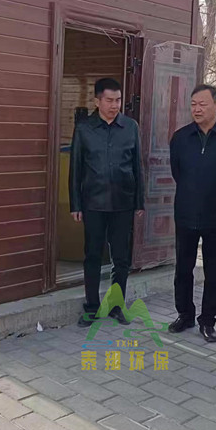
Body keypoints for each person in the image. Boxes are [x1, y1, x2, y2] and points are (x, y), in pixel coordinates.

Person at [168, 84, 216, 342]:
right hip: (186, 212)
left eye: (202, 104)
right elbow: (177, 172)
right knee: (183, 268)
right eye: (193, 104)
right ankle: (185, 314)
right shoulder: (180, 138)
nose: (197, 109)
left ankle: (208, 320)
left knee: (214, 271)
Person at [70, 78, 144, 328]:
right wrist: (76, 204)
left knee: (121, 259)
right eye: (109, 100)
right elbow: (76, 168)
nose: (115, 105)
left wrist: (139, 201)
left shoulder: (130, 127)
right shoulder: (84, 129)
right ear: (97, 101)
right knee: (92, 256)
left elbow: (137, 166)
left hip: (123, 202)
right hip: (93, 203)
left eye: (118, 100)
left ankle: (116, 306)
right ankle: (91, 308)